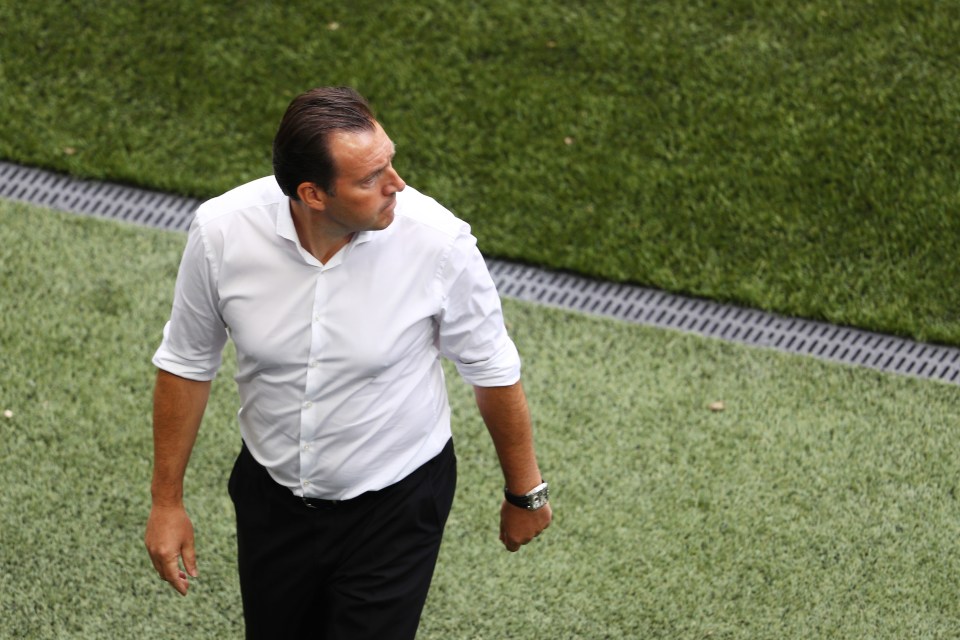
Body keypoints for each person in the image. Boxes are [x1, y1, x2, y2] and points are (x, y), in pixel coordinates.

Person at [144, 86, 552, 639]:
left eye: (391, 161)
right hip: (272, 500)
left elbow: (492, 371)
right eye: (370, 178)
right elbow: (187, 362)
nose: (397, 185)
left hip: (396, 505)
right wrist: (166, 502)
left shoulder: (439, 244)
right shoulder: (221, 233)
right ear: (313, 194)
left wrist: (524, 492)